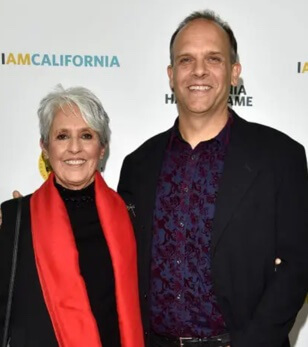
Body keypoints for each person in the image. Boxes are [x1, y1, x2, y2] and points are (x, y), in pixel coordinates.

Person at [117, 10, 308, 347]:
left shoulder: (281, 157)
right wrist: (23, 220)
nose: (199, 70)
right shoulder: (138, 164)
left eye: (213, 58)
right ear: (171, 74)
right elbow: (114, 255)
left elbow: (298, 265)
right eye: (186, 60)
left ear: (234, 73)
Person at [0, 86, 144, 347]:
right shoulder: (13, 219)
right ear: (45, 147)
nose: (74, 148)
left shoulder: (131, 214)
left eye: (86, 135)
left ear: (102, 148)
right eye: (62, 136)